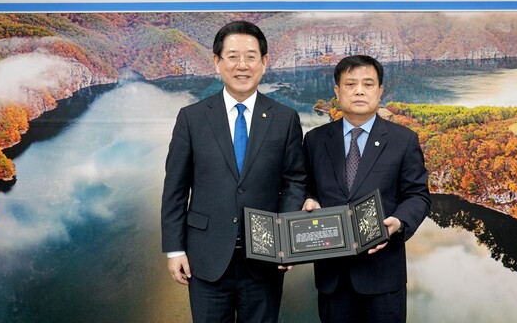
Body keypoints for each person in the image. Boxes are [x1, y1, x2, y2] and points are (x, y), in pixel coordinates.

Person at [161, 21, 306, 323]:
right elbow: (175, 188)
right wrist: (174, 250)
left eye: (251, 57)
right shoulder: (191, 118)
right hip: (205, 258)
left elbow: (294, 181)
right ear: (217, 61)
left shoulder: (285, 118)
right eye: (233, 56)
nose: (242, 65)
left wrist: (286, 240)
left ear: (264, 62)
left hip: (266, 258)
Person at [302, 54, 431, 323]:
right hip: (332, 277)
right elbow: (305, 188)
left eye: (368, 84)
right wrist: (308, 201)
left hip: (383, 277)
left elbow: (418, 195)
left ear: (380, 91)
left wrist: (399, 222)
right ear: (337, 91)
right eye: (350, 84)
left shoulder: (403, 140)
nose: (359, 91)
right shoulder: (315, 140)